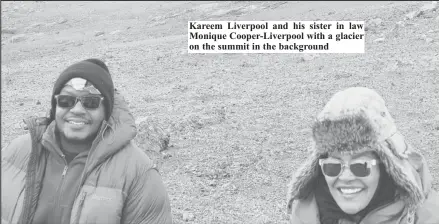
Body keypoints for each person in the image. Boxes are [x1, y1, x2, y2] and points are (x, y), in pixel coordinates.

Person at [1, 59, 173, 224]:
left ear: (106, 110)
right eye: (66, 100)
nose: (77, 110)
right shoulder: (16, 152)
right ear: (55, 107)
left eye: (90, 102)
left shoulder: (138, 172)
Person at [286, 87, 439, 224]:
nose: (345, 178)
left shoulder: (428, 217)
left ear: (388, 167)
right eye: (332, 167)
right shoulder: (306, 213)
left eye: (360, 166)